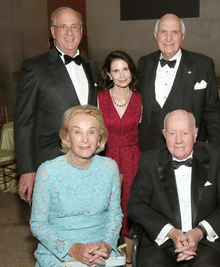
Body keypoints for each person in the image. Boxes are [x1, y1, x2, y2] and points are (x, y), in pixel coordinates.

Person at [127, 109, 220, 267]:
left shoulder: (215, 156)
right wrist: (172, 233)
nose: (178, 140)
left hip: (206, 243)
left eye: (185, 133)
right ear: (164, 134)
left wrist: (199, 232)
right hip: (161, 244)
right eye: (172, 133)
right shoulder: (149, 160)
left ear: (195, 134)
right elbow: (135, 206)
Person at [15, 6, 98, 202]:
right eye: (63, 27)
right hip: (51, 161)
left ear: (81, 30)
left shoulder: (90, 67)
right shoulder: (34, 68)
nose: (70, 33)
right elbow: (24, 122)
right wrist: (27, 169)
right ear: (53, 31)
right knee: (54, 226)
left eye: (74, 26)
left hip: (88, 161)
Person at [30, 105, 122, 267]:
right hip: (59, 251)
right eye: (77, 132)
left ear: (99, 138)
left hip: (100, 249)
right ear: (67, 137)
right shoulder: (48, 171)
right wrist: (71, 248)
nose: (85, 139)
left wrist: (107, 244)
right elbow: (38, 224)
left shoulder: (110, 167)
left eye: (91, 132)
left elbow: (115, 215)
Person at [137, 13, 220, 151]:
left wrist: (215, 152)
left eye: (174, 32)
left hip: (189, 150)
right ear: (155, 35)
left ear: (182, 36)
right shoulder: (144, 64)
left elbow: (212, 112)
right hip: (149, 151)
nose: (168, 38)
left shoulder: (202, 65)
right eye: (163, 31)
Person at [97, 50, 142, 265]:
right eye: (116, 70)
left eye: (125, 69)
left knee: (130, 208)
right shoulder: (99, 99)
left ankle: (129, 261)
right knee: (107, 207)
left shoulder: (141, 100)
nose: (122, 74)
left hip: (134, 160)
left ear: (131, 72)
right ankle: (106, 257)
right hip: (107, 159)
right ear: (108, 74)